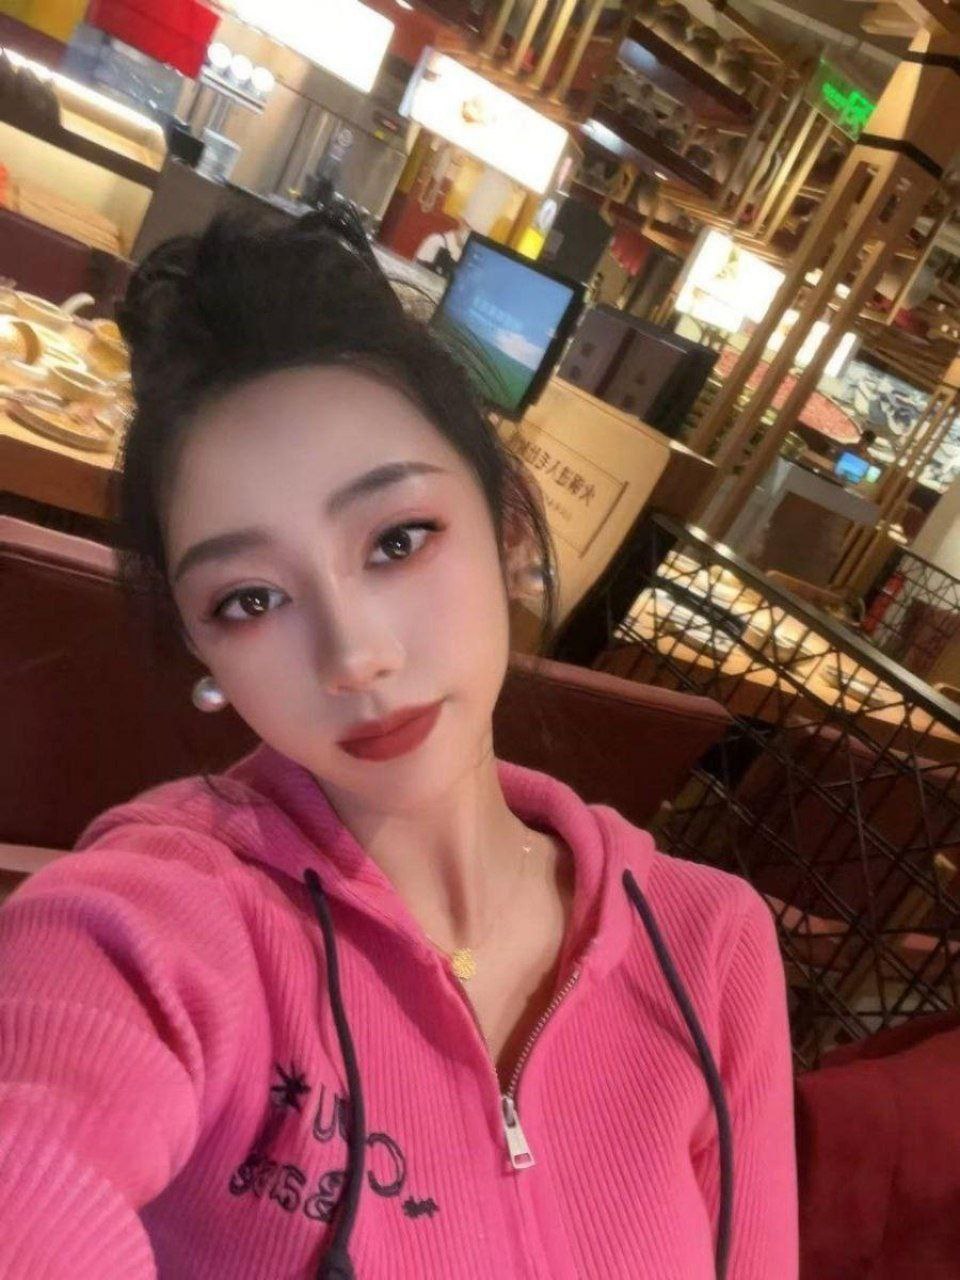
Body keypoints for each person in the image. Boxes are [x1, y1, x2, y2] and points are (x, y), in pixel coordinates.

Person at [0, 210, 798, 1278]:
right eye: (250, 599)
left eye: (398, 540)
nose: (354, 655)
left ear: (509, 529)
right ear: (199, 643)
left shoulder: (708, 947)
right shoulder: (164, 919)